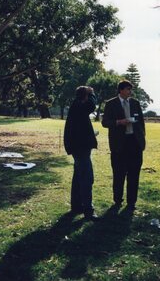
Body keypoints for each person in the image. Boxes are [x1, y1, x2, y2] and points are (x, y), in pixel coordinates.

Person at [101, 80, 146, 211]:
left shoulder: (135, 103)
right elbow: (105, 122)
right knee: (119, 174)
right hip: (119, 144)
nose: (130, 92)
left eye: (130, 89)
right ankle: (117, 200)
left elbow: (141, 122)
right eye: (127, 89)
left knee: (134, 174)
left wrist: (142, 139)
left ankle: (132, 202)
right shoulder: (111, 104)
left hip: (135, 143)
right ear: (120, 90)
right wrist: (119, 122)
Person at [64, 86, 99, 221]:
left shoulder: (76, 105)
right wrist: (92, 94)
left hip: (77, 146)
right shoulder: (81, 106)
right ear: (85, 97)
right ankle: (88, 211)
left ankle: (76, 206)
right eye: (88, 95)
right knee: (86, 178)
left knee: (78, 176)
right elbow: (92, 105)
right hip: (81, 147)